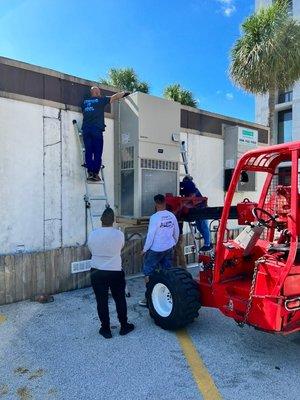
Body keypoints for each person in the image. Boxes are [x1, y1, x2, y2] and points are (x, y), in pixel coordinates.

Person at [88, 207, 134, 338]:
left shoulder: (93, 234)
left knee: (101, 301)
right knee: (120, 299)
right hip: (115, 271)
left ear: (101, 220)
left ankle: (106, 329)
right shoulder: (118, 234)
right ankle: (124, 326)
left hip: (97, 271)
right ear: (113, 221)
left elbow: (91, 249)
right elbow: (121, 247)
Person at [139, 194, 179, 307]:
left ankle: (149, 298)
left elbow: (150, 235)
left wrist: (144, 249)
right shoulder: (171, 215)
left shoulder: (154, 217)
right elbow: (176, 231)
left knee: (148, 272)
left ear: (155, 204)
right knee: (167, 272)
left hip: (155, 250)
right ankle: (170, 296)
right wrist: (173, 243)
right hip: (168, 248)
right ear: (165, 202)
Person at [82, 86, 128, 181]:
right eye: (98, 91)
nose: (100, 93)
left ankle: (90, 172)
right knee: (97, 152)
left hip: (86, 130)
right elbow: (115, 97)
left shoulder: (84, 102)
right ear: (96, 92)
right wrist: (125, 93)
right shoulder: (100, 100)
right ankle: (95, 174)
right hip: (96, 130)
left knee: (89, 152)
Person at [180, 175, 212, 252]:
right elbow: (184, 193)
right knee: (200, 227)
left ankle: (207, 245)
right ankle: (208, 243)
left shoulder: (190, 185)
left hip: (202, 209)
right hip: (197, 210)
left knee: (203, 227)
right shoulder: (189, 188)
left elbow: (190, 194)